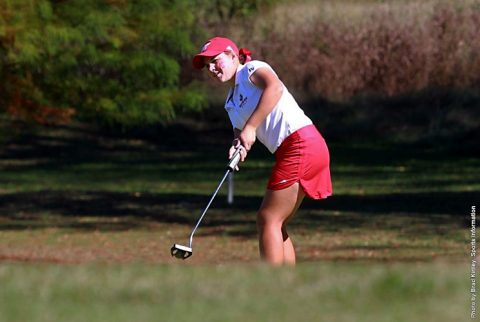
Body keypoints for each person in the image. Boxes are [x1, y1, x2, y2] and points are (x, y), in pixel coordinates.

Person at [192, 36, 332, 265]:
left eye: (216, 61)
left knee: (268, 218)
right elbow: (241, 135)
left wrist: (251, 127)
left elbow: (275, 88)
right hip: (291, 149)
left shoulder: (252, 70)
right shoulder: (230, 102)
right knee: (275, 222)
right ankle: (287, 289)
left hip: (302, 142)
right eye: (207, 65)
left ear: (232, 54)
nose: (212, 68)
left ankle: (273, 290)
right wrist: (238, 147)